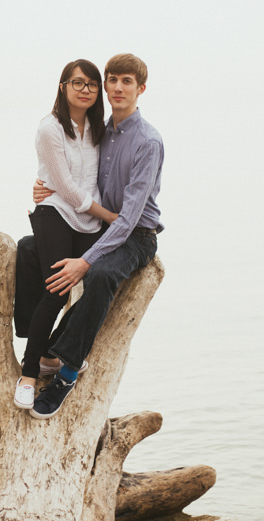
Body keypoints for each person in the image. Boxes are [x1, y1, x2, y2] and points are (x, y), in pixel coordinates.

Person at [15, 53, 163, 419]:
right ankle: (36, 342)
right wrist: (44, 189)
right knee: (27, 248)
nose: (116, 87)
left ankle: (65, 370)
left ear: (140, 89)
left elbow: (127, 221)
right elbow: (76, 178)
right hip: (102, 225)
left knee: (98, 275)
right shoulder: (103, 130)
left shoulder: (148, 142)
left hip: (135, 235)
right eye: (112, 79)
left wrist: (86, 260)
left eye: (126, 81)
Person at [13, 59, 118, 411]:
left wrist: (107, 218)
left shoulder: (98, 128)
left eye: (91, 85)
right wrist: (110, 217)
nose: (85, 90)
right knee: (57, 288)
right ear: (63, 87)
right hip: (56, 210)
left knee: (97, 285)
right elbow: (69, 190)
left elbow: (99, 179)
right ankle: (29, 375)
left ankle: (55, 350)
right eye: (77, 83)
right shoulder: (50, 128)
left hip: (88, 220)